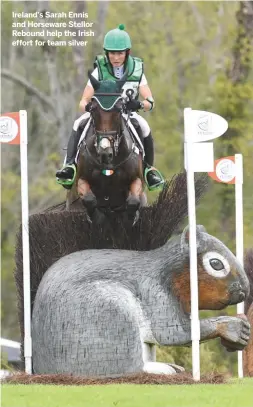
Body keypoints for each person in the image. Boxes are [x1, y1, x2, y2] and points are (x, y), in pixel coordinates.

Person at [56, 24, 164, 190]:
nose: (116, 57)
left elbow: (150, 102)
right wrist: (89, 108)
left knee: (145, 126)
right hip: (101, 114)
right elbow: (83, 101)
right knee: (78, 124)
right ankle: (69, 166)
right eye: (112, 53)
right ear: (107, 53)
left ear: (127, 52)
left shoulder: (136, 70)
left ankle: (149, 170)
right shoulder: (99, 70)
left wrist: (140, 104)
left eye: (120, 53)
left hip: (127, 114)